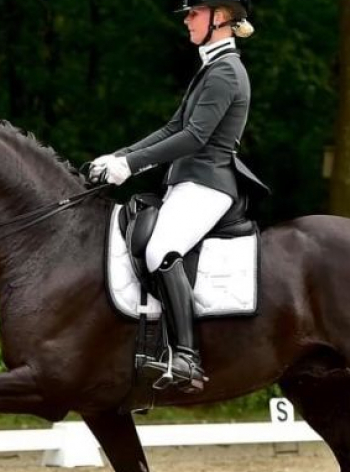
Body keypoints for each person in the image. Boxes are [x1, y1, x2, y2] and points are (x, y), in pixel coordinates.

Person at [89, 0, 266, 394]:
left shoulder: (225, 71)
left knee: (161, 250)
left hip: (208, 182)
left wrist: (131, 165)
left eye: (194, 13)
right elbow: (173, 128)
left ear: (221, 17)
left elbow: (195, 137)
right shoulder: (211, 67)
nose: (187, 20)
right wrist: (120, 156)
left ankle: (186, 357)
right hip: (188, 182)